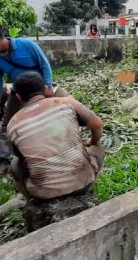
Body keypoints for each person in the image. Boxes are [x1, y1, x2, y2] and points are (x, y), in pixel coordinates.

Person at [7, 72, 104, 200]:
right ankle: (87, 186)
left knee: (15, 164)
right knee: (98, 147)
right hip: (83, 183)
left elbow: (19, 155)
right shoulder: (67, 103)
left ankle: (31, 200)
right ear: (46, 89)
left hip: (43, 194)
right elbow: (97, 125)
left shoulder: (13, 124)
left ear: (18, 97)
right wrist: (92, 142)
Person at [0, 26, 53, 166]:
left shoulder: (27, 45)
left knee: (46, 121)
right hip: (18, 91)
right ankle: (3, 160)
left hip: (39, 90)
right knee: (7, 124)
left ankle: (49, 154)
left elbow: (44, 65)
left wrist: (48, 85)